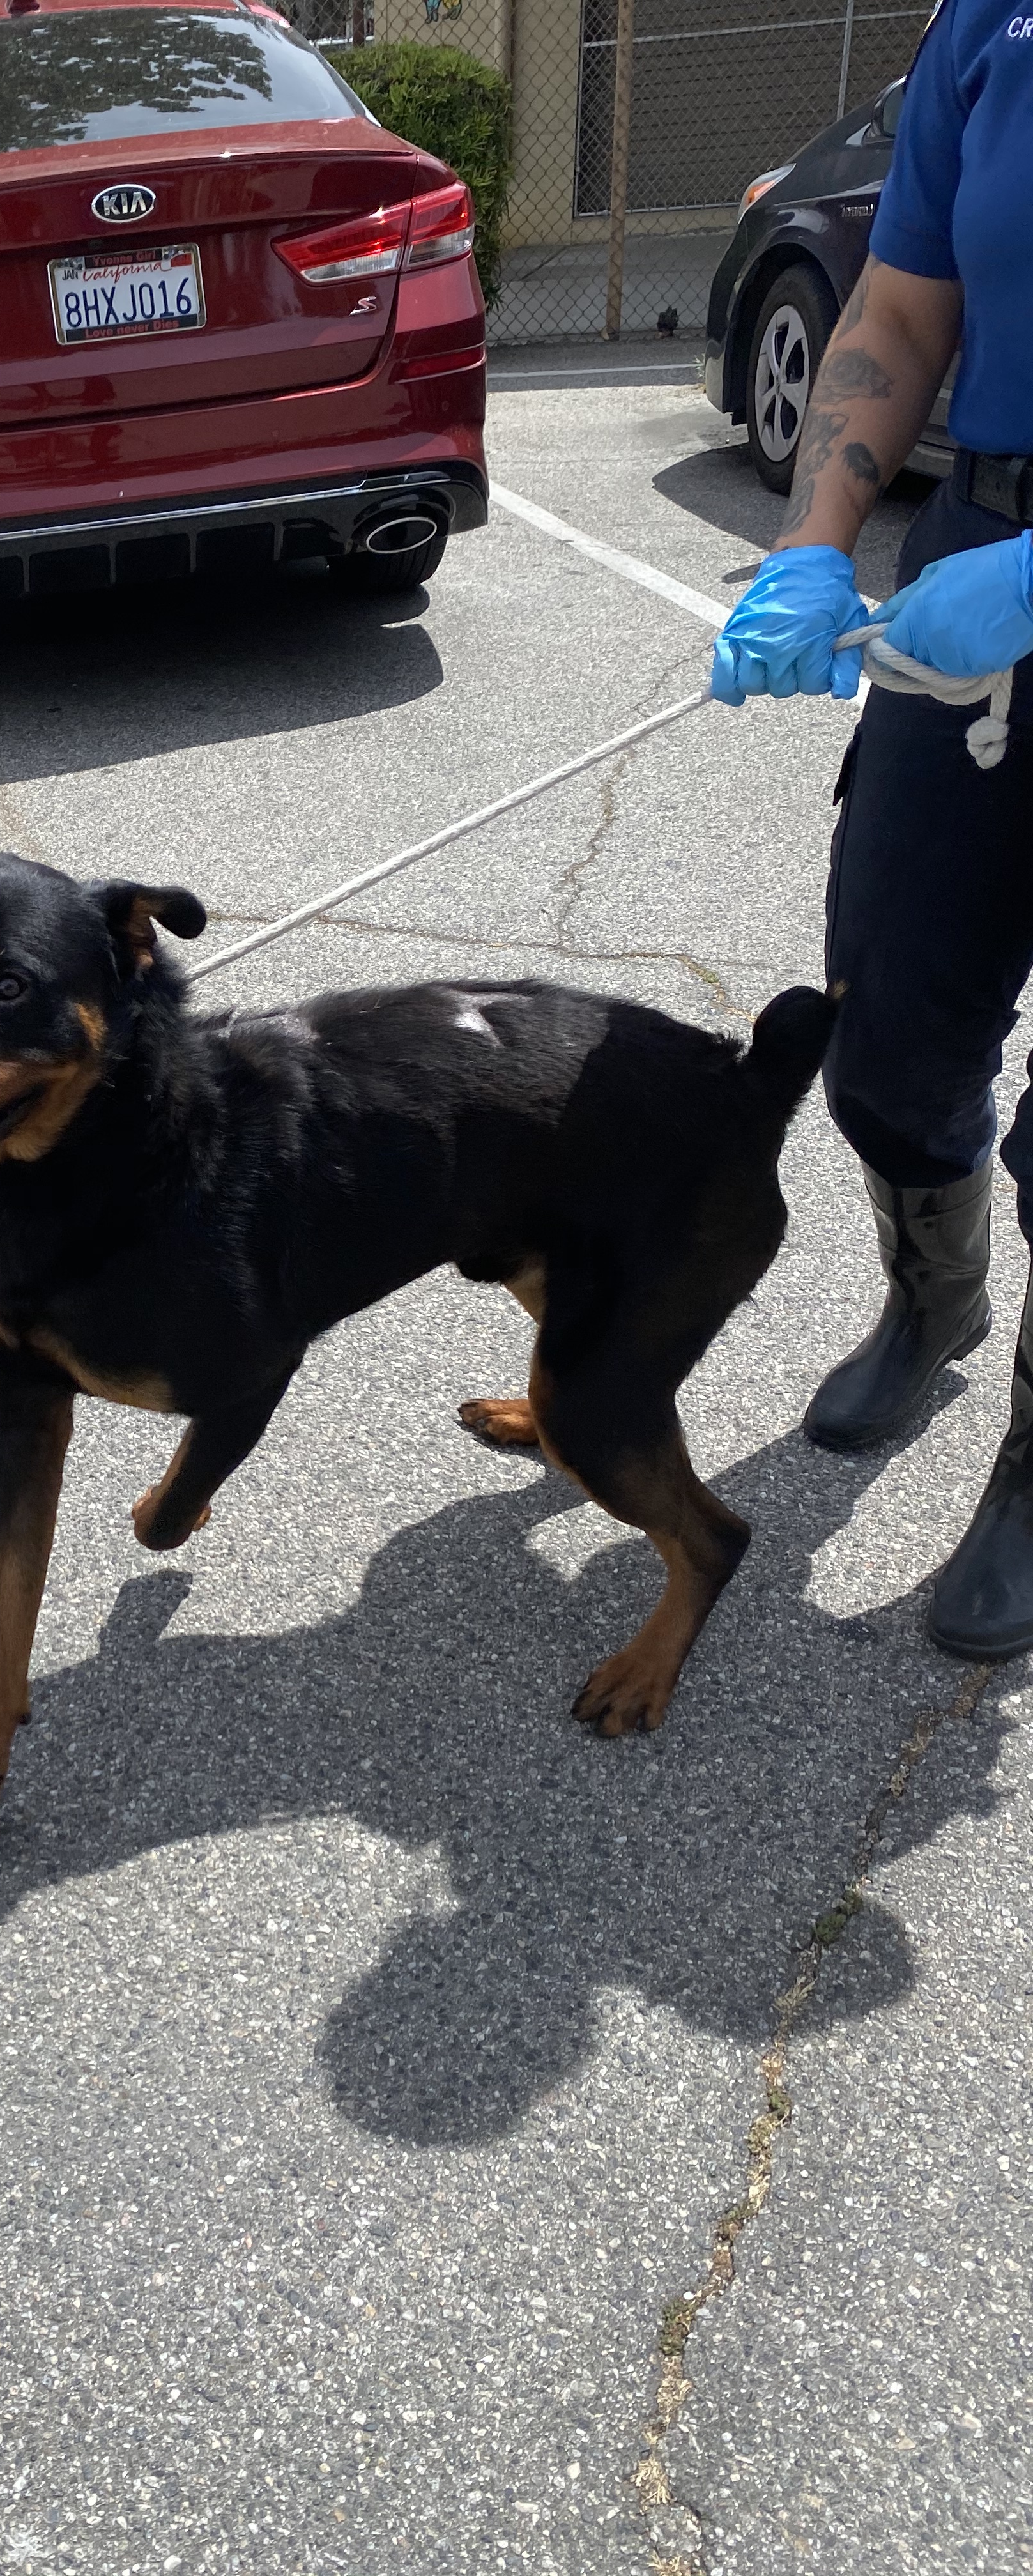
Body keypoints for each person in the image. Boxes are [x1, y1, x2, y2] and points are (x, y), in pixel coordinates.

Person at [710, 0, 1033, 1658]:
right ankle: (937, 1295)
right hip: (987, 527)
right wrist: (816, 539)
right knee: (890, 1025)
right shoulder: (991, 23)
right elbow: (904, 303)